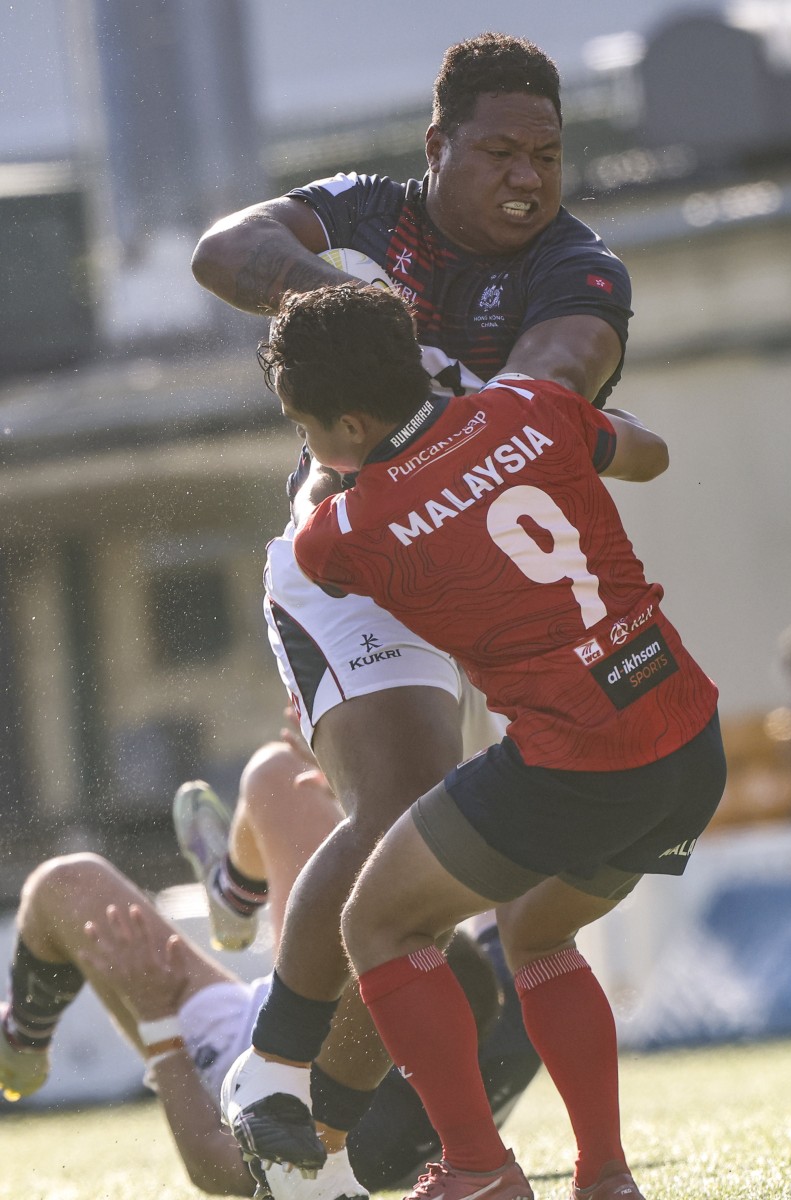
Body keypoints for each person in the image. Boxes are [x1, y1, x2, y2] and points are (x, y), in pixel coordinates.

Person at [192, 30, 634, 1183]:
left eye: (546, 152)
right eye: (499, 151)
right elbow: (222, 249)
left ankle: (319, 1133)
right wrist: (360, 314)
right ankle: (268, 1074)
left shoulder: (577, 266)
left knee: (435, 881)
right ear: (438, 146)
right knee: (396, 805)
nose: (528, 176)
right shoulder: (374, 212)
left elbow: (565, 364)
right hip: (346, 561)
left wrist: (432, 381)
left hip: (480, 592)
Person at [235, 282, 727, 1200]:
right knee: (537, 931)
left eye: (306, 427)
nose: (308, 445)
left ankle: (477, 1170)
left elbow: (312, 558)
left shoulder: (345, 529)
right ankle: (606, 1177)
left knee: (376, 923)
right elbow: (649, 457)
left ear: (342, 422)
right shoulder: (527, 403)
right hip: (687, 738)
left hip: (577, 765)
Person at [0, 722, 538, 1198]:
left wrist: (156, 1019)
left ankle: (22, 1037)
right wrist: (365, 801)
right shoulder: (501, 1007)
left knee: (62, 882)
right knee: (279, 774)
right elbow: (481, 874)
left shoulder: (344, 1131)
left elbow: (212, 1169)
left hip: (241, 1055)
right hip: (299, 1016)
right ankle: (235, 892)